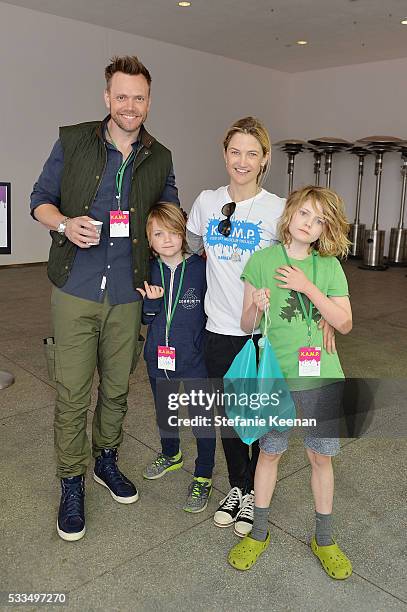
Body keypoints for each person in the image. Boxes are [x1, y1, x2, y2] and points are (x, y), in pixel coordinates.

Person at [30, 55, 179, 541]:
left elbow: (169, 215)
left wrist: (168, 260)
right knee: (72, 394)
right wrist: (64, 224)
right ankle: (71, 481)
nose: (130, 106)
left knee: (116, 389)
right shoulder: (74, 140)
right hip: (75, 287)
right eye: (122, 96)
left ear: (149, 101)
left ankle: (105, 460)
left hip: (128, 290)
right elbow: (39, 199)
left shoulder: (160, 156)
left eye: (139, 97)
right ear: (107, 98)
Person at [228, 185, 353, 580]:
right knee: (270, 453)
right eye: (305, 214)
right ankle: (259, 532)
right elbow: (246, 325)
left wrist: (308, 288)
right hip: (276, 381)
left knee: (321, 458)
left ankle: (325, 538)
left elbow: (345, 323)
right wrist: (255, 305)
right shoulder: (262, 261)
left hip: (322, 381)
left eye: (320, 221)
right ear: (290, 213)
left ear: (324, 229)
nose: (310, 224)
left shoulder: (329, 267)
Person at [186, 117, 286, 536]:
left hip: (261, 334)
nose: (241, 161)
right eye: (234, 152)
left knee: (256, 417)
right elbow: (193, 243)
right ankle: (238, 489)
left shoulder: (277, 209)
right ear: (224, 154)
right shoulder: (207, 202)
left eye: (251, 153)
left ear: (264, 159)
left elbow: (293, 263)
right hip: (218, 328)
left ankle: (254, 489)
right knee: (228, 416)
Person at [139, 203, 215, 513]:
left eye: (173, 232)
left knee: (202, 420)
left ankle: (204, 475)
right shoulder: (148, 269)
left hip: (195, 359)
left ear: (184, 233)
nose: (167, 239)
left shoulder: (200, 267)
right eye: (159, 233)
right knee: (165, 413)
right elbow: (145, 318)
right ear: (149, 239)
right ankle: (171, 454)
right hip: (159, 357)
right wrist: (153, 305)